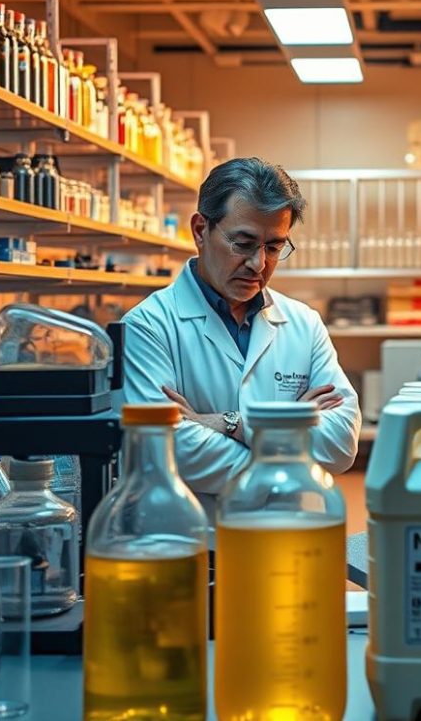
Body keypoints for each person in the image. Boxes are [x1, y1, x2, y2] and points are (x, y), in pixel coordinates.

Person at [122, 158, 361, 500]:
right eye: (243, 243)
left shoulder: (303, 324)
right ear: (200, 231)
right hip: (199, 540)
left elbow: (340, 444)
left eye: (274, 247)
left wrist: (231, 423)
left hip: (290, 533)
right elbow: (166, 447)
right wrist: (292, 451)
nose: (258, 264)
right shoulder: (148, 327)